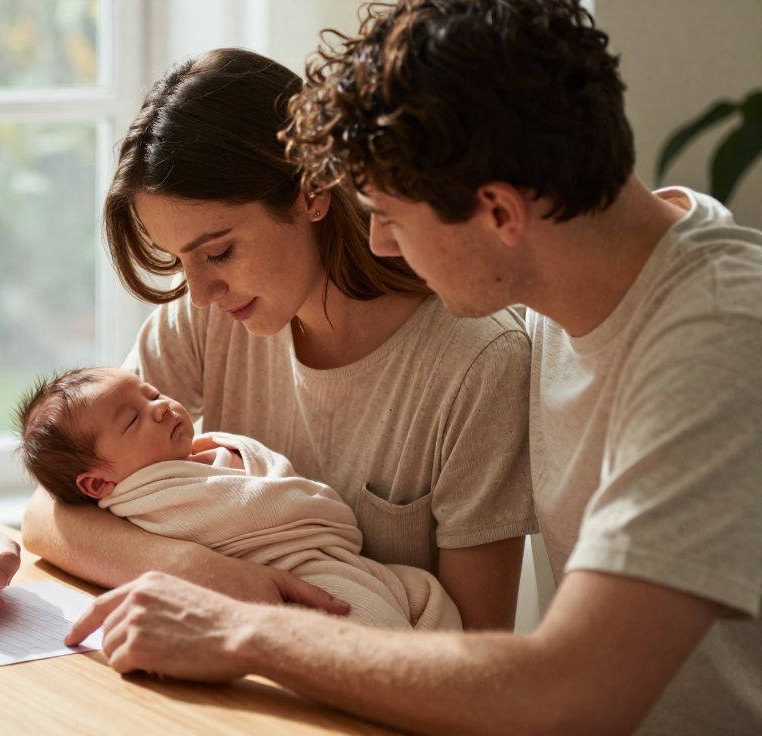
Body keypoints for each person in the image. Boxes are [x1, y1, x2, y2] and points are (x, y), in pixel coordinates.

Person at [55, 1, 762, 733]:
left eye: (391, 216)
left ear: (499, 213)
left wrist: (241, 628)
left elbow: (571, 690)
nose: (381, 245)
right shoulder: (569, 298)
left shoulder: (716, 343)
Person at [0, 46, 537, 633]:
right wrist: (203, 571)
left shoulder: (476, 364)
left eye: (218, 252)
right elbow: (50, 511)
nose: (199, 292)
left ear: (312, 190)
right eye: (180, 260)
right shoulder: (210, 320)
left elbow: (478, 652)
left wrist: (254, 622)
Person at [18, 365, 462, 630]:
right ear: (97, 485)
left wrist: (233, 456)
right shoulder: (146, 498)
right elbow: (276, 512)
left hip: (329, 564)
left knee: (421, 593)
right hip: (301, 578)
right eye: (133, 421)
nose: (159, 406)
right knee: (365, 623)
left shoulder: (195, 453)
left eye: (151, 393)